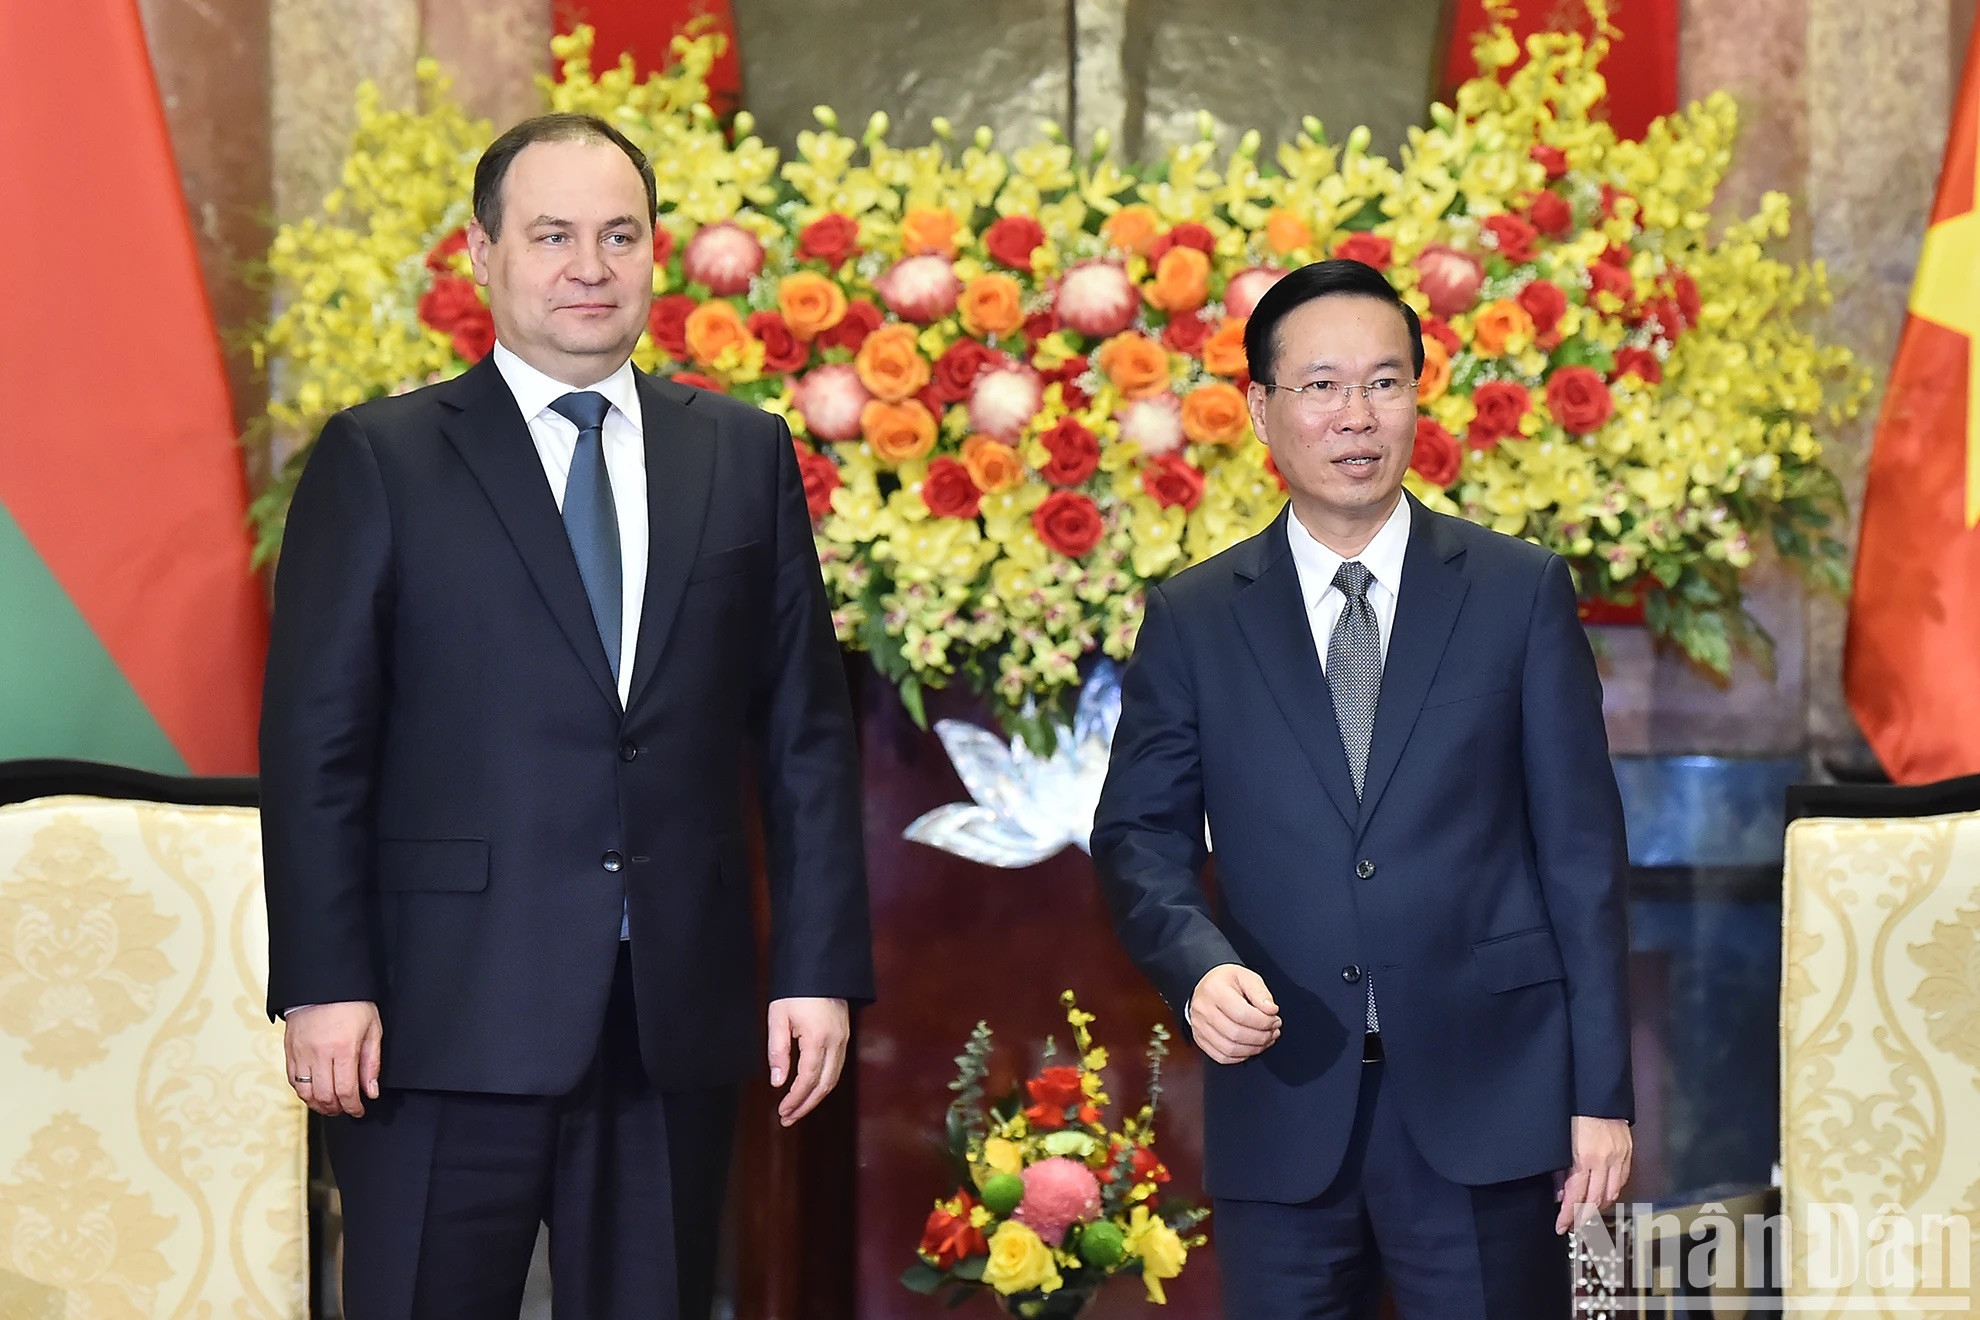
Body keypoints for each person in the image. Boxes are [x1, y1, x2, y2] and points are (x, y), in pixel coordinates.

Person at [260, 113, 872, 1319]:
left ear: (655, 254)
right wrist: (324, 982)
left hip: (670, 1017)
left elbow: (805, 737)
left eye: (618, 235)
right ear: (481, 254)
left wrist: (816, 969)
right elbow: (317, 747)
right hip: (438, 1017)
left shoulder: (741, 453)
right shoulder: (382, 459)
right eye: (551, 236)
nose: (589, 266)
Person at [1090, 259, 1632, 1317]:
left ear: (1418, 398)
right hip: (1284, 1099)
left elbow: (1582, 857)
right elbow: (1139, 838)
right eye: (1323, 386)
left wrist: (1600, 1098)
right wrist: (1197, 970)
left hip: (1490, 1099)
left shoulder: (1516, 592)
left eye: (1385, 383)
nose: (1357, 415)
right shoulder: (1197, 618)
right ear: (1261, 410)